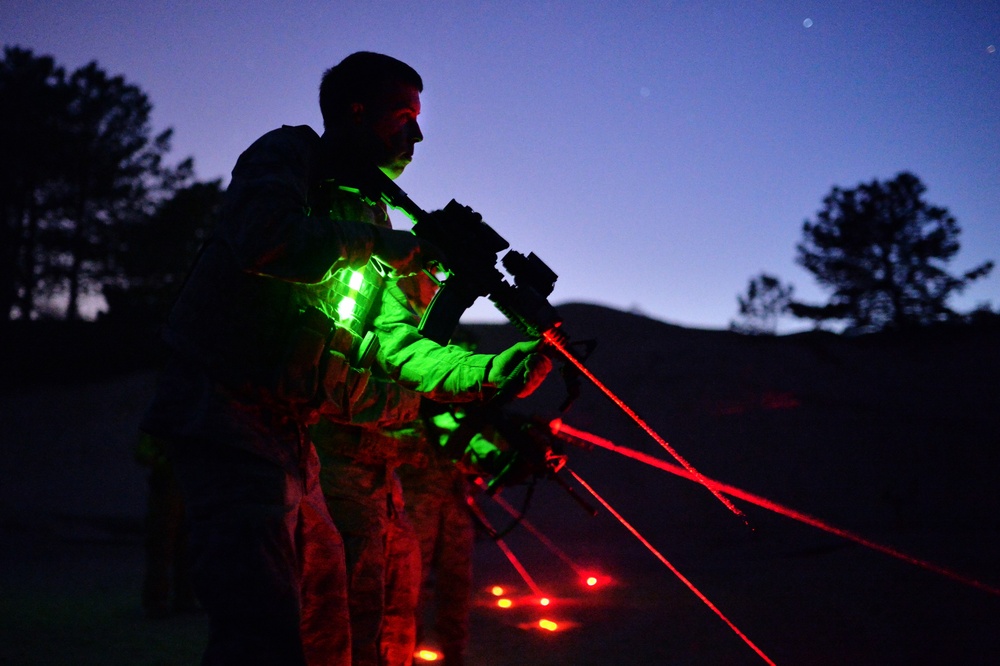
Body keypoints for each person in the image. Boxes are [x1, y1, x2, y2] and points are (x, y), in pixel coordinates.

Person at [140, 51, 551, 666]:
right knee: (262, 622)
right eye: (402, 116)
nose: (416, 133)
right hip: (222, 412)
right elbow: (265, 237)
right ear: (355, 113)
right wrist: (393, 248)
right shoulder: (289, 157)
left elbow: (402, 348)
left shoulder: (372, 209)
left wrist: (492, 371)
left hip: (291, 434)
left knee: (325, 614)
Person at [134, 432, 198, 619]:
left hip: (184, 487)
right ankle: (157, 601)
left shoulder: (181, 419)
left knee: (186, 546)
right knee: (162, 545)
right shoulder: (164, 423)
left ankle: (182, 599)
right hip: (169, 487)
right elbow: (143, 454)